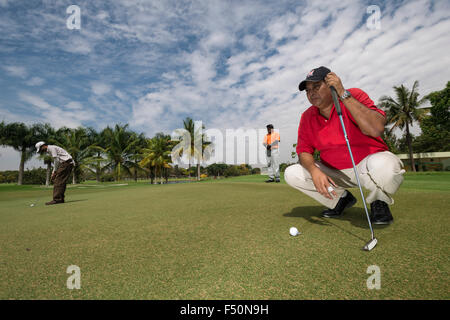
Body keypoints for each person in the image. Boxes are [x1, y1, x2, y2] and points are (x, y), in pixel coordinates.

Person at [284, 66, 405, 224]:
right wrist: (314, 171)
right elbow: (303, 151)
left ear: (331, 84)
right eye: (307, 90)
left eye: (316, 86)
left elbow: (376, 129)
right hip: (334, 174)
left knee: (384, 165)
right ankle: (341, 199)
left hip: (366, 167)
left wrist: (343, 94)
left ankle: (379, 201)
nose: (311, 93)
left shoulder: (353, 95)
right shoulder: (307, 116)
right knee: (292, 173)